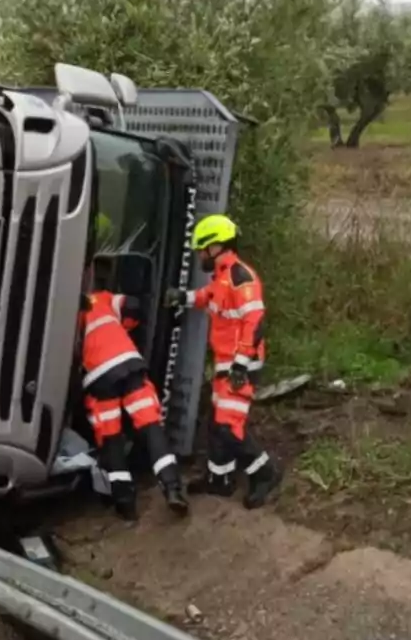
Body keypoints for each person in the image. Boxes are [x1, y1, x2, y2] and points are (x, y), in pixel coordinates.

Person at [164, 214, 282, 510]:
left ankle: (265, 473)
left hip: (240, 366)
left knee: (228, 427)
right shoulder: (222, 277)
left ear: (216, 246)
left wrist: (241, 364)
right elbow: (209, 297)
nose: (200, 255)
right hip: (225, 364)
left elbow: (255, 323)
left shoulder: (241, 278)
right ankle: (220, 480)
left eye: (202, 249)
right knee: (217, 424)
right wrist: (184, 297)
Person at [81, 289, 188, 520]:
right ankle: (172, 488)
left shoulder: (66, 311)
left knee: (111, 437)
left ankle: (125, 503)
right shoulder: (102, 298)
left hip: (99, 376)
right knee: (150, 426)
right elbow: (133, 303)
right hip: (129, 364)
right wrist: (125, 327)